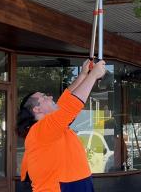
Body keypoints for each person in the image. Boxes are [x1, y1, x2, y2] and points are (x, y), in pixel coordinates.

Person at [17, 59, 107, 192]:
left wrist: (83, 75)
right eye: (44, 97)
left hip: (75, 184)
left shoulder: (50, 126)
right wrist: (93, 76)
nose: (51, 97)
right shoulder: (39, 129)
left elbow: (66, 100)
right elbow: (70, 106)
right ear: (37, 109)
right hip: (63, 187)